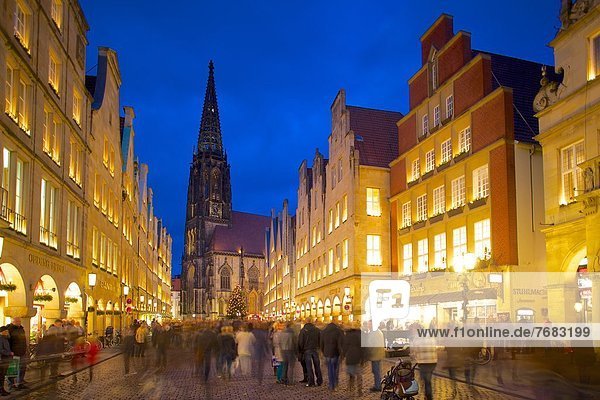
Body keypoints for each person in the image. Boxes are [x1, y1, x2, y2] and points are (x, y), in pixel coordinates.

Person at [410, 323, 437, 400]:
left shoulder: (417, 338)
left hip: (425, 362)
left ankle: (429, 396)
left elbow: (414, 350)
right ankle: (428, 395)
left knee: (426, 380)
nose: (411, 331)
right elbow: (435, 345)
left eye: (412, 329)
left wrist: (412, 356)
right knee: (427, 380)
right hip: (433, 361)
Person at [297, 317, 322, 387]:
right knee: (317, 365)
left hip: (307, 350)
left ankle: (311, 382)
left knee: (309, 366)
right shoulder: (317, 330)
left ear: (306, 322)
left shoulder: (303, 330)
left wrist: (301, 350)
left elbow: (300, 342)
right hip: (315, 349)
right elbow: (320, 340)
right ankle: (319, 381)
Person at [320, 320, 344, 391]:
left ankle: (331, 385)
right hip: (335, 353)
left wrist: (323, 351)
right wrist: (341, 353)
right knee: (335, 369)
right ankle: (335, 384)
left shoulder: (324, 331)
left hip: (327, 353)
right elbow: (341, 343)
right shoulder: (338, 331)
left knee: (330, 369)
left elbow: (321, 343)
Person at [344, 321, 364, 397]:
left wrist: (343, 355)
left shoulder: (348, 335)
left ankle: (351, 390)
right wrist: (363, 358)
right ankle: (360, 390)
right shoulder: (361, 335)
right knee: (359, 375)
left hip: (350, 357)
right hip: (358, 357)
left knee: (351, 375)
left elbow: (344, 346)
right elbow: (363, 348)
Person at [7, 317, 27, 390]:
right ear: (12, 322)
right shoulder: (9, 329)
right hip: (14, 353)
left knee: (22, 369)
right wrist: (10, 351)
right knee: (12, 370)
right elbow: (8, 342)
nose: (19, 322)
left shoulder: (21, 329)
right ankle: (11, 385)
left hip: (22, 352)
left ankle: (20, 383)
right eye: (17, 321)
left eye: (19, 321)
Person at [366, 321, 385, 392]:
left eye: (369, 324)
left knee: (376, 371)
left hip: (375, 354)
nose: (368, 326)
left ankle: (377, 386)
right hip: (378, 353)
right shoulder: (378, 331)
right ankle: (377, 385)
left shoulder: (373, 333)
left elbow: (370, 344)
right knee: (377, 371)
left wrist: (367, 353)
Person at [0, 327, 13, 396]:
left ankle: (2, 390)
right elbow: (1, 350)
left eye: (7, 331)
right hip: (2, 360)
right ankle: (1, 390)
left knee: (2, 375)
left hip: (5, 359)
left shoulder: (5, 338)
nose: (7, 332)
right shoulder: (1, 339)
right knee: (1, 376)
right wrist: (9, 353)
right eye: (5, 331)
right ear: (2, 332)